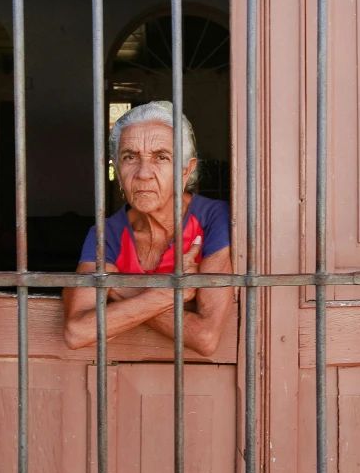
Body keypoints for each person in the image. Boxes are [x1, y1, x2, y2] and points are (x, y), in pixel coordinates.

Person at [63, 100, 233, 357]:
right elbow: (78, 332)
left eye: (161, 157)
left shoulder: (214, 218)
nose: (143, 173)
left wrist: (118, 288)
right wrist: (171, 294)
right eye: (129, 157)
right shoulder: (106, 234)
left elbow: (206, 336)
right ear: (118, 171)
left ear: (186, 170)